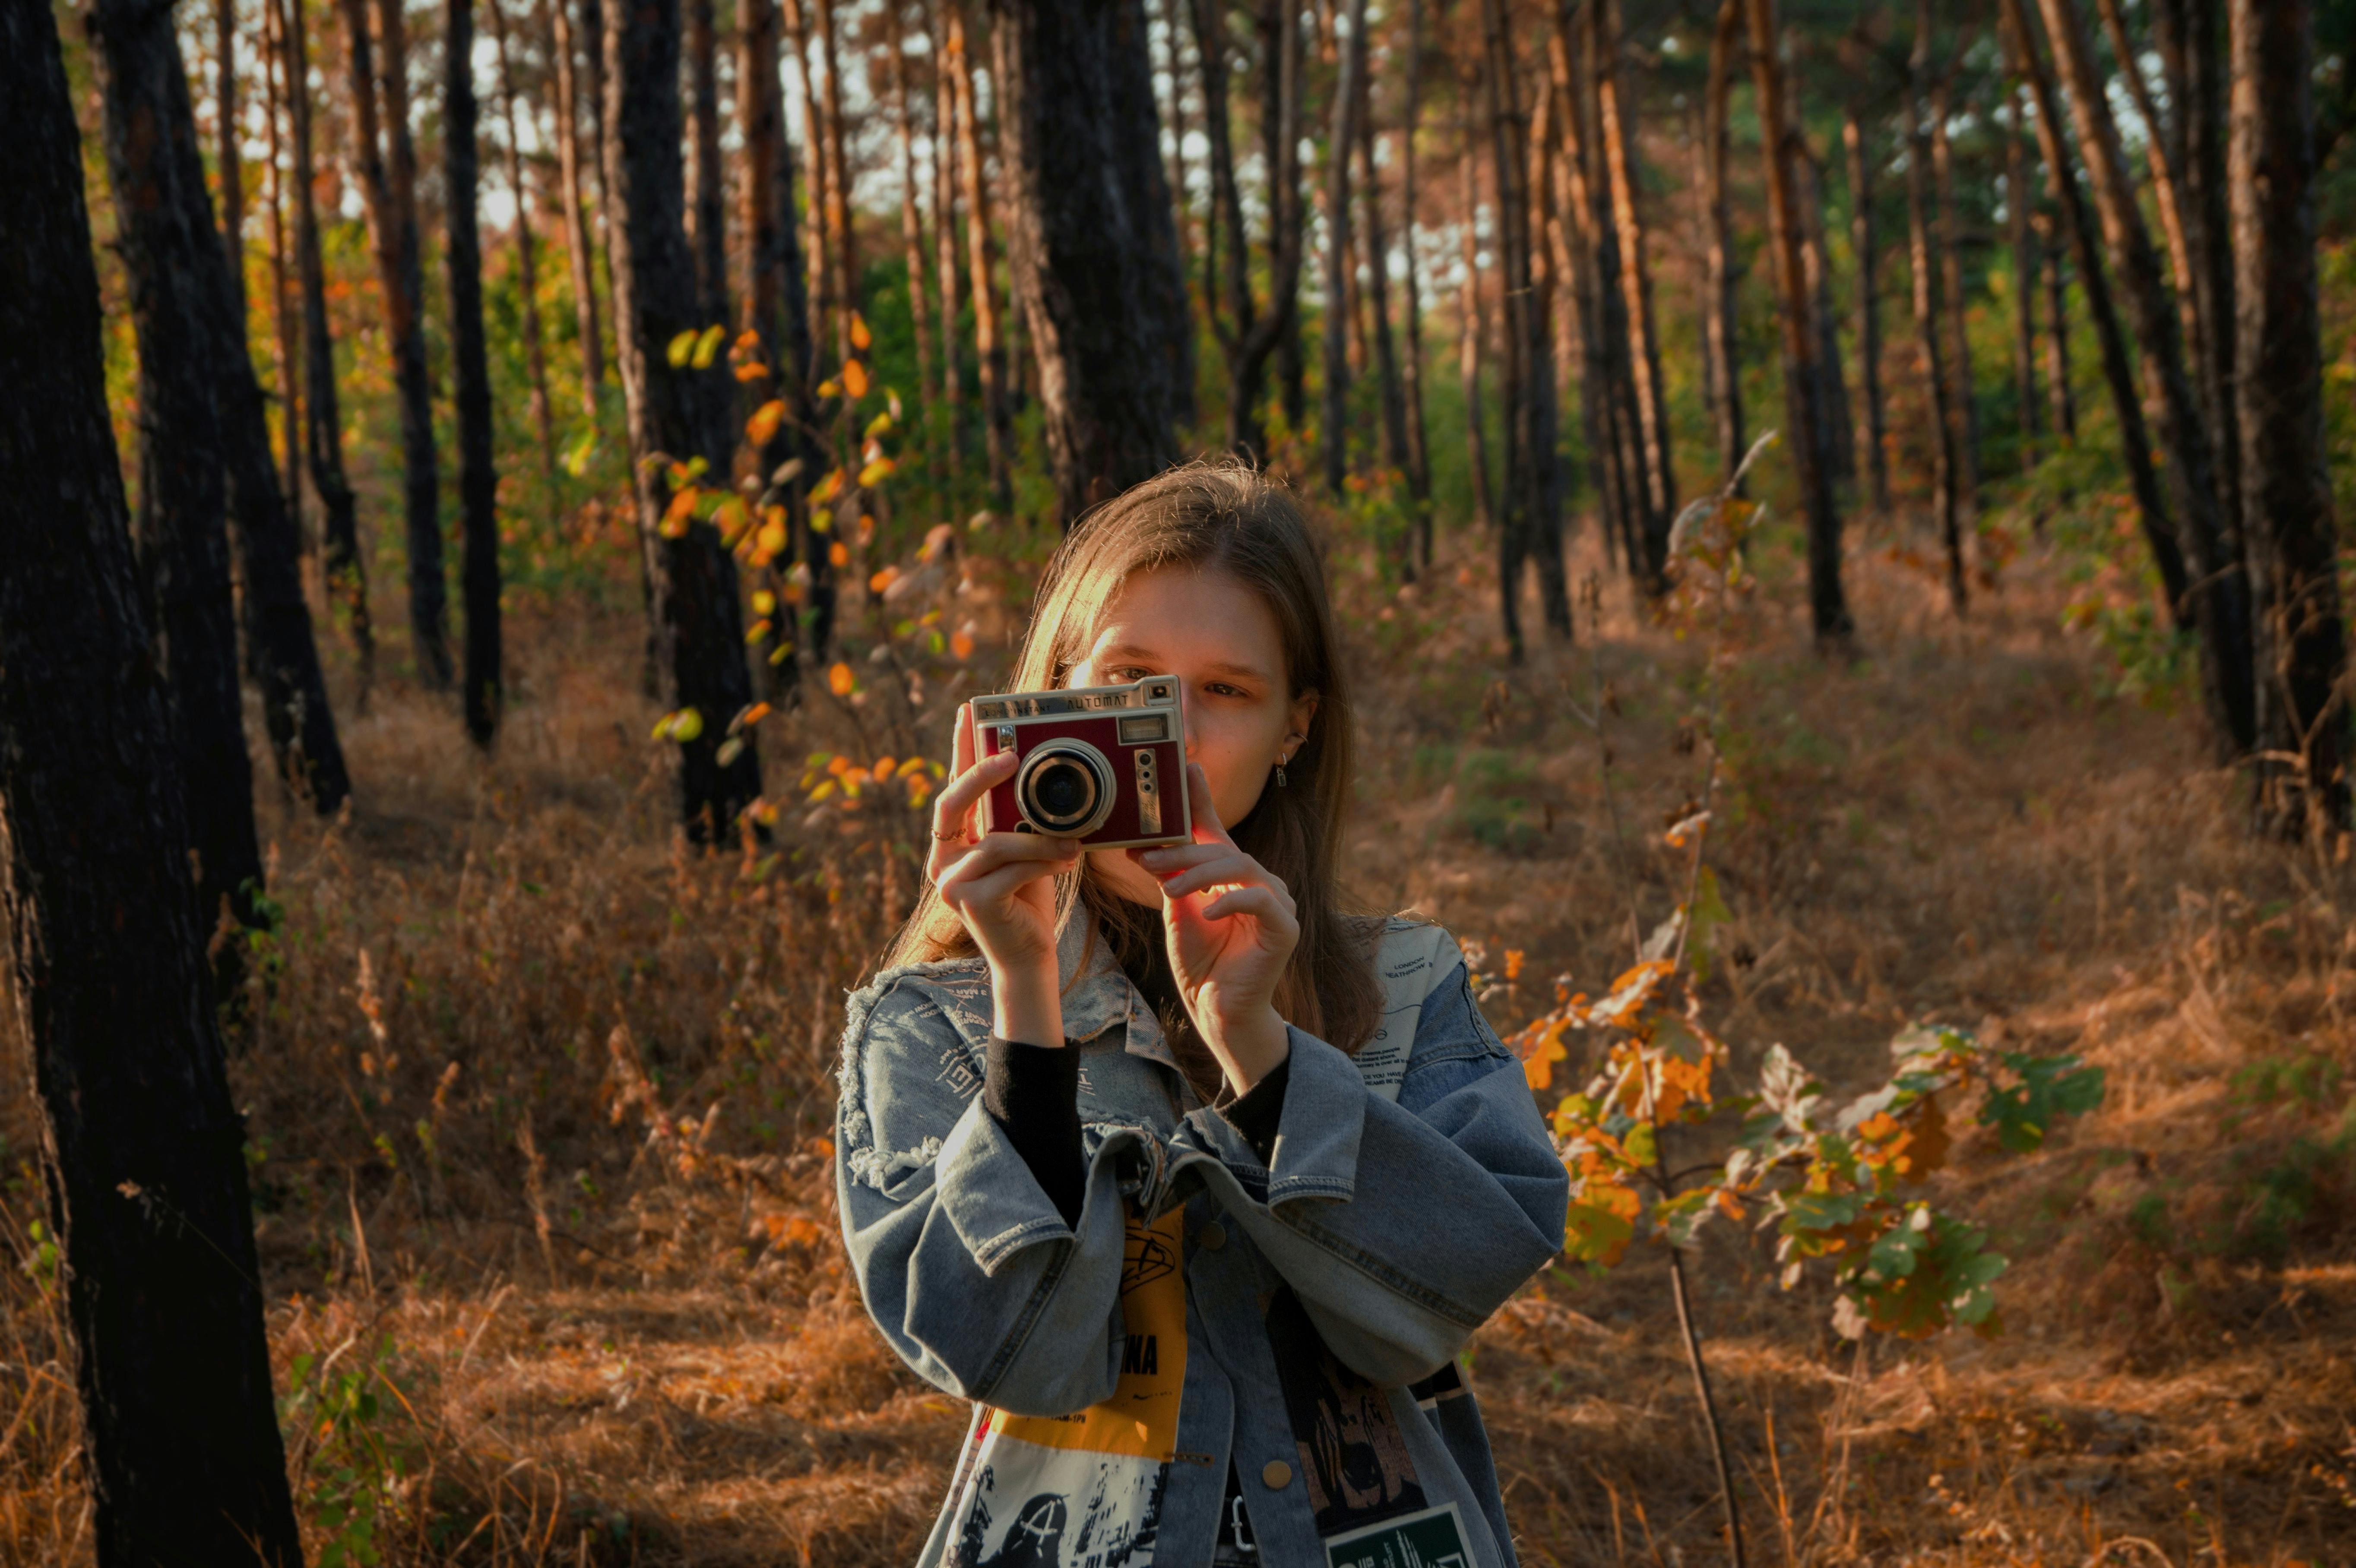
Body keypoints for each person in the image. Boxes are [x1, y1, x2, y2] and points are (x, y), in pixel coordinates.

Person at [834, 463, 1568, 1568]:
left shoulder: (1406, 983)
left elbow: (1447, 1292)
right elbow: (1000, 1352)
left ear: (1294, 728)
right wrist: (1026, 1004)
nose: (1167, 737)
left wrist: (1265, 1053)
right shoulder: (929, 1019)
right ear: (1051, 692)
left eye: (1224, 690)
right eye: (1128, 679)